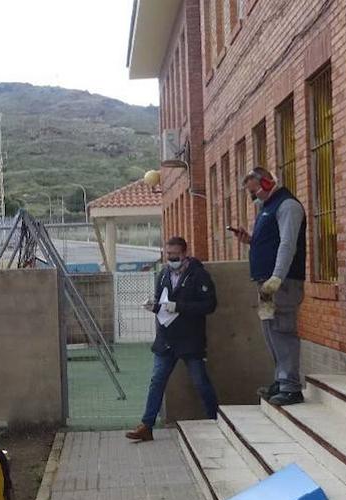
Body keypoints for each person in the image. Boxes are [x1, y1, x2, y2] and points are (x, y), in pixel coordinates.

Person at [126, 237, 219, 442]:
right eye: (168, 254)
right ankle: (147, 425)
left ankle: (216, 421)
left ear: (185, 253)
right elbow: (162, 302)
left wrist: (180, 307)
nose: (171, 258)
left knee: (200, 382)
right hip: (166, 339)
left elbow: (210, 305)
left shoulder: (198, 274)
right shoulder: (163, 274)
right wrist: (155, 307)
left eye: (175, 254)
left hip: (190, 339)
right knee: (157, 381)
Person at [230, 166, 307, 406]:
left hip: (281, 283)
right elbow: (271, 243)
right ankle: (280, 379)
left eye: (255, 192)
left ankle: (291, 385)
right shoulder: (268, 208)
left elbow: (287, 245)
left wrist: (277, 277)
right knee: (270, 330)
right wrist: (250, 240)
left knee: (282, 330)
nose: (254, 197)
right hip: (266, 284)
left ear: (266, 183)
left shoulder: (287, 206)